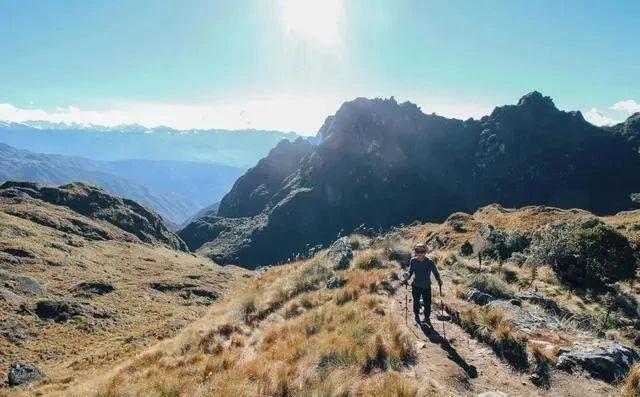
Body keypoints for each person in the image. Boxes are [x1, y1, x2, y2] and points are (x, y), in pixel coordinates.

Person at [403, 243, 442, 326]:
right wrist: (407, 275)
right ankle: (416, 315)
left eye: (422, 251)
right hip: (416, 285)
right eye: (417, 251)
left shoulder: (430, 262)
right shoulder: (413, 261)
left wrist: (439, 280)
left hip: (426, 286)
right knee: (416, 301)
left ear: (425, 252)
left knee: (427, 303)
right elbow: (410, 272)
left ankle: (427, 317)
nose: (420, 253)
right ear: (415, 252)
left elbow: (435, 273)